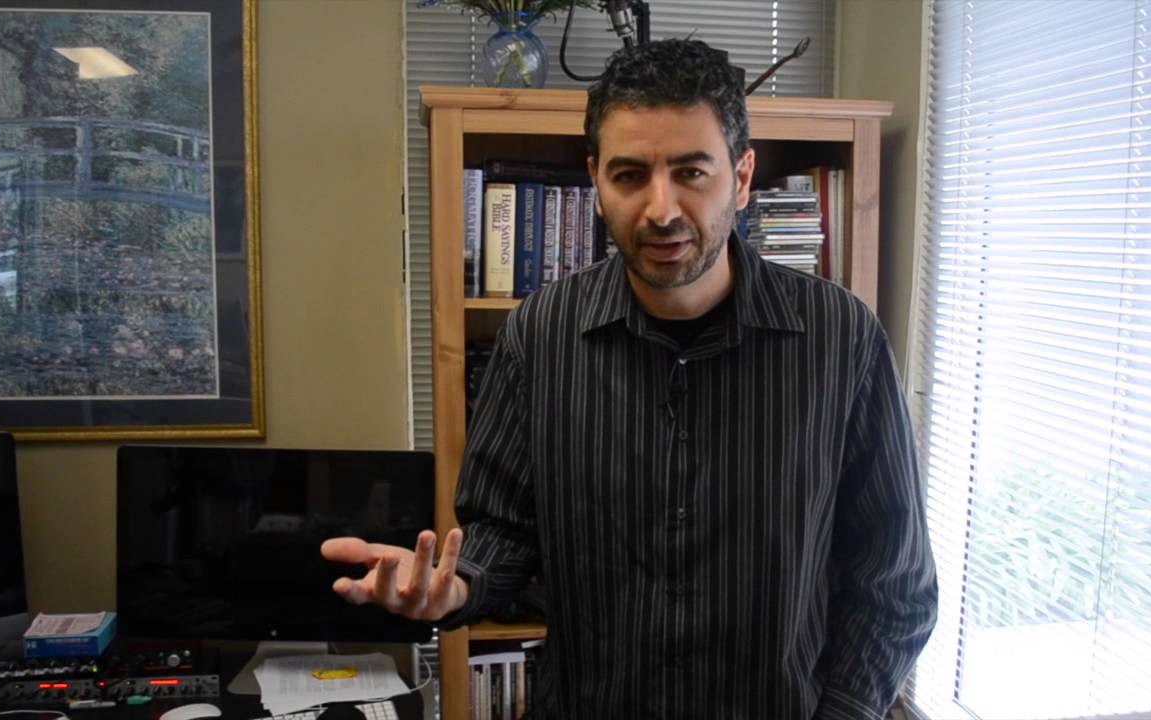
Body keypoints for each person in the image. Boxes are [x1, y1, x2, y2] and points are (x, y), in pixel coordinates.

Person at [322, 39, 937, 719]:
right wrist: (459, 587)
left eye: (691, 172)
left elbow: (894, 582)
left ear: (741, 176)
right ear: (596, 182)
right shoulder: (541, 334)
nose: (661, 208)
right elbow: (502, 530)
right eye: (630, 175)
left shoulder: (842, 340)